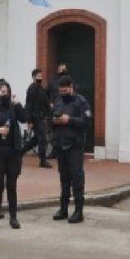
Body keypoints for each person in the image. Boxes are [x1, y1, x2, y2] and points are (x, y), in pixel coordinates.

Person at [50, 75, 92, 224]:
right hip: (61, 145)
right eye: (61, 90)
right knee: (64, 178)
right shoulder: (58, 101)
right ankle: (63, 209)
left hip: (75, 146)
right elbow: (51, 120)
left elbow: (86, 122)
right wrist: (54, 121)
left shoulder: (81, 102)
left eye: (65, 90)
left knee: (77, 178)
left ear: (71, 88)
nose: (63, 93)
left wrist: (69, 120)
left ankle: (78, 211)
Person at [0, 82, 28, 230]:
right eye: (3, 92)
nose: (5, 94)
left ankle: (13, 217)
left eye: (7, 92)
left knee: (12, 185)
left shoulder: (13, 107)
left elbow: (24, 118)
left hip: (13, 151)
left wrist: (18, 106)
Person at [25, 68, 52, 168]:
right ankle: (43, 161)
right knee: (42, 139)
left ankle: (20, 152)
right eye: (38, 76)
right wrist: (29, 120)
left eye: (41, 75)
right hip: (35, 118)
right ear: (33, 77)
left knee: (36, 139)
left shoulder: (41, 89)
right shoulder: (31, 89)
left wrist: (49, 111)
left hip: (41, 117)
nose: (40, 77)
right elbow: (28, 105)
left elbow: (45, 103)